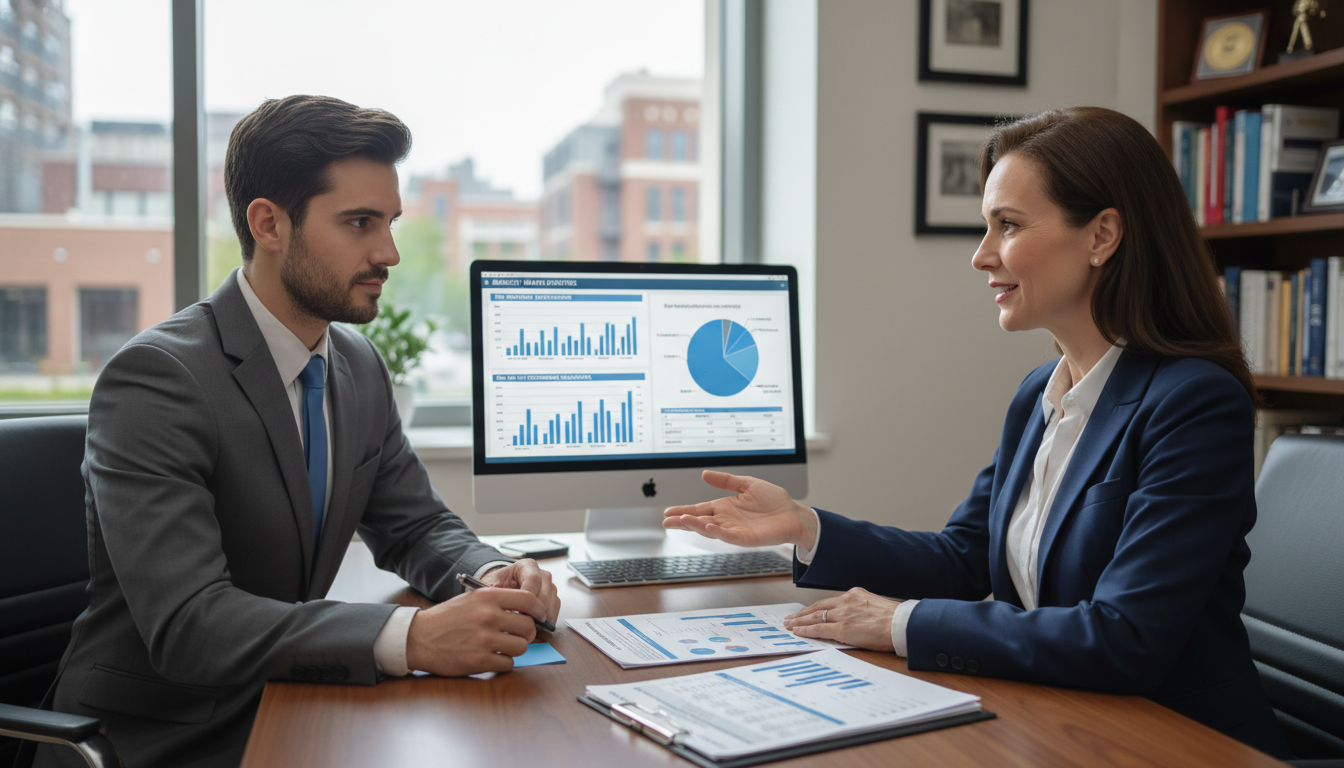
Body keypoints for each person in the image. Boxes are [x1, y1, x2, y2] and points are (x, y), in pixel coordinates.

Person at [664, 107, 1290, 758]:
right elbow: (964, 558)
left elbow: (1124, 636)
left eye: (1008, 226)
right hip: (1059, 718)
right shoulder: (1038, 394)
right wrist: (805, 525)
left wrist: (899, 621)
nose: (980, 255)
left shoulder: (1194, 403)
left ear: (1102, 235)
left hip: (1175, 742)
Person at [30, 96, 559, 768]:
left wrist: (488, 574)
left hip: (299, 703)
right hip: (160, 738)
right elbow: (192, 624)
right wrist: (413, 637)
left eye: (390, 222)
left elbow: (415, 526)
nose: (388, 252)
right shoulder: (158, 379)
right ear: (269, 224)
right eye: (360, 223)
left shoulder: (358, 365)